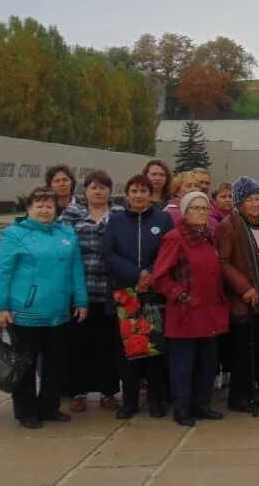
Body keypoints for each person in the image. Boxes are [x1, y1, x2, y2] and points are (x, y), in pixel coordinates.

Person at [0, 187, 88, 429]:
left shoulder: (66, 233)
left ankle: (49, 406)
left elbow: (76, 268)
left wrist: (81, 299)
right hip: (26, 312)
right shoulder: (14, 235)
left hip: (59, 312)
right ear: (29, 207)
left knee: (56, 365)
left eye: (49, 206)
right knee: (25, 364)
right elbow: (2, 271)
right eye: (39, 205)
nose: (45, 210)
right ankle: (26, 411)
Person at [153, 190, 229, 427]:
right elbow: (160, 277)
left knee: (207, 363)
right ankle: (182, 407)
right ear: (185, 212)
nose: (201, 212)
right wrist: (183, 296)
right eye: (195, 208)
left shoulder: (210, 236)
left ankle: (202, 404)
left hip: (210, 312)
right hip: (186, 312)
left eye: (205, 208)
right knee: (182, 366)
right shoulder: (175, 237)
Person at [103, 175, 174, 419]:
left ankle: (156, 401)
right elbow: (108, 254)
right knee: (127, 354)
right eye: (134, 190)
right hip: (126, 295)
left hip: (154, 293)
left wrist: (150, 275)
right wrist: (136, 275)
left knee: (155, 350)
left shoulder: (163, 219)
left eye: (143, 190)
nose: (139, 195)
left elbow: (169, 251)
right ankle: (129, 402)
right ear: (127, 193)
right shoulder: (116, 220)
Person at [216, 177, 259, 413]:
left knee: (256, 349)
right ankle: (239, 398)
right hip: (243, 298)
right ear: (239, 202)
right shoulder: (230, 225)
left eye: (258, 198)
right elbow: (223, 262)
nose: (255, 204)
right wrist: (244, 286)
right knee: (242, 351)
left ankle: (251, 392)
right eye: (249, 199)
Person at [59, 170, 121, 414]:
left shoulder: (118, 215)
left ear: (109, 191)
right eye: (93, 187)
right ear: (85, 190)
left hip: (109, 291)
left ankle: (108, 392)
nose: (98, 191)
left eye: (103, 187)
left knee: (108, 345)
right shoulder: (73, 214)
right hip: (80, 290)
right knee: (79, 345)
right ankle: (79, 392)